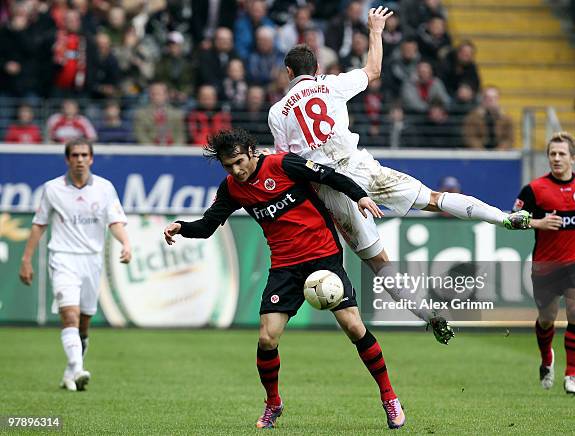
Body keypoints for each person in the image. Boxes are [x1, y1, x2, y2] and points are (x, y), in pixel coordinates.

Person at [268, 6, 531, 343]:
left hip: (332, 187)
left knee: (379, 263)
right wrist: (375, 30)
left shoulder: (278, 112)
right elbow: (374, 70)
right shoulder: (332, 85)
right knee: (434, 200)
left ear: (288, 72)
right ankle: (504, 218)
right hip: (362, 166)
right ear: (316, 68)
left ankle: (430, 316)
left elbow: (286, 163)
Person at [163, 129, 406, 430]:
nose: (236, 170)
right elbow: (209, 225)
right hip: (284, 267)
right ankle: (273, 403)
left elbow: (330, 176)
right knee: (267, 338)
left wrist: (361, 197)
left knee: (354, 327)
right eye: (229, 166)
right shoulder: (232, 189)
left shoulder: (282, 165)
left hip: (323, 256)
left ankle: (389, 397)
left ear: (251, 152)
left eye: (239, 161)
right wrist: (181, 227)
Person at [19, 139, 132, 392]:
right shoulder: (52, 189)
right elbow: (39, 224)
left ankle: (71, 372)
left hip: (91, 260)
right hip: (62, 258)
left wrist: (125, 243)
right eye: (75, 155)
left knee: (83, 323)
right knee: (69, 315)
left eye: (84, 155)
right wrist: (26, 259)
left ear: (91, 159)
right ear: (67, 159)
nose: (80, 159)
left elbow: (114, 220)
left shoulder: (104, 188)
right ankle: (79, 368)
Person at [512, 132, 575, 395]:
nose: (556, 158)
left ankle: (572, 375)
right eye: (552, 154)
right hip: (545, 263)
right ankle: (546, 359)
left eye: (561, 153)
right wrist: (539, 223)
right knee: (546, 318)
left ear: (572, 158)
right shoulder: (534, 189)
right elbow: (514, 218)